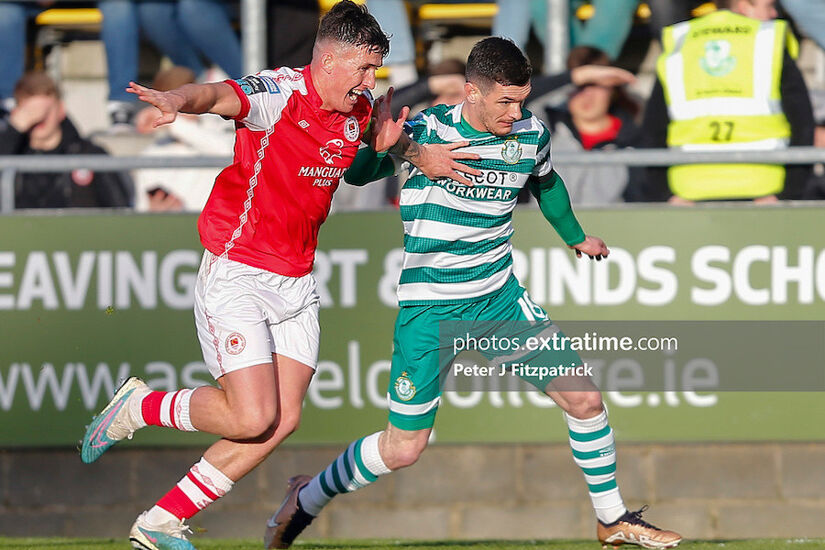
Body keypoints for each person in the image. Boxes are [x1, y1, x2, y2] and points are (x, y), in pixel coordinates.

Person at [79, 3, 477, 549]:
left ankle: (159, 522)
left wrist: (399, 153)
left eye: (375, 70)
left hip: (297, 281)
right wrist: (178, 100)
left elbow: (355, 167)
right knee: (250, 415)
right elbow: (218, 96)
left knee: (279, 421)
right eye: (363, 68)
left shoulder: (357, 108)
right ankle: (140, 406)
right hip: (238, 270)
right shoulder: (278, 94)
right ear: (331, 60)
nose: (370, 81)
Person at [264, 37, 682, 550]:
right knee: (403, 449)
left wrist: (576, 235)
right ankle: (305, 498)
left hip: (498, 300)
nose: (515, 111)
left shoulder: (530, 133)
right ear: (471, 93)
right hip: (431, 309)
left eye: (521, 99)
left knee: (586, 399)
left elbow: (545, 183)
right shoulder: (429, 128)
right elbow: (356, 174)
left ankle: (612, 520)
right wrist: (383, 145)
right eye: (504, 101)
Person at [640, 0, 814, 203]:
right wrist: (788, 193)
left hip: (689, 191)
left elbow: (653, 127)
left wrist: (666, 195)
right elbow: (802, 124)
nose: (774, 13)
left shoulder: (682, 41)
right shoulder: (769, 42)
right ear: (743, 6)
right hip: (764, 189)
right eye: (769, 6)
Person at [0, 71, 132, 209]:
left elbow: (120, 209)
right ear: (16, 114)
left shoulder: (89, 155)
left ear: (61, 109)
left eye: (45, 111)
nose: (38, 118)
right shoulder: (10, 155)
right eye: (30, 111)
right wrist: (12, 132)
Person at [543, 46, 642, 205]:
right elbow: (517, 97)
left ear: (612, 89)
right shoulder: (544, 128)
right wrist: (577, 75)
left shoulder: (634, 139)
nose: (587, 94)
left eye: (596, 85)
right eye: (580, 86)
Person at [132, 66, 235, 212]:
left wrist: (172, 122)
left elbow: (228, 153)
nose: (179, 111)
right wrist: (155, 213)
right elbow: (140, 210)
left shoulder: (219, 137)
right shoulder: (151, 154)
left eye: (183, 104)